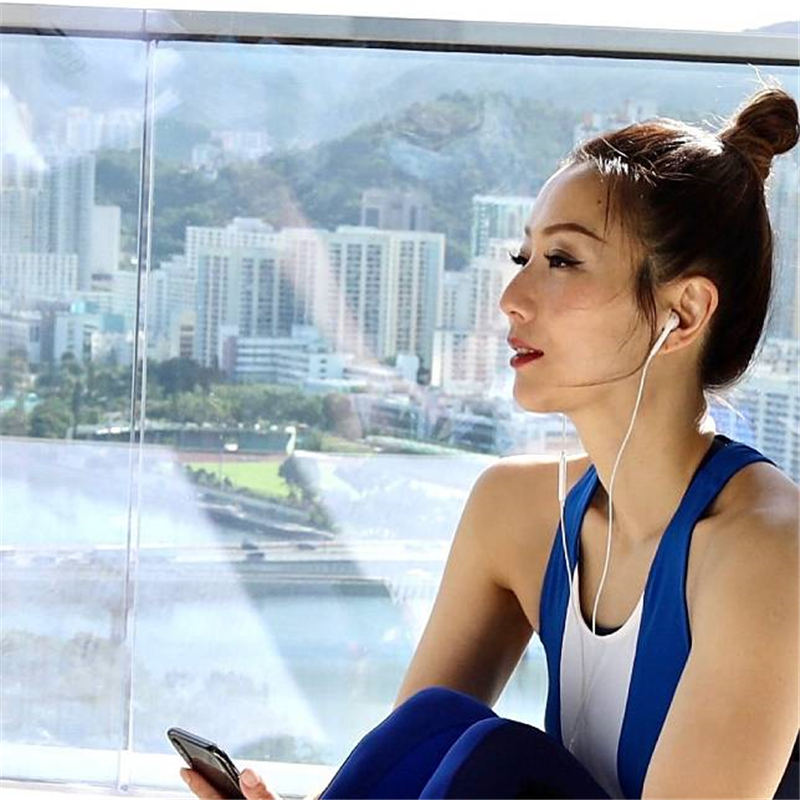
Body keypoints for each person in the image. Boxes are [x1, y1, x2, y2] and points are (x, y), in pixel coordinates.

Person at [181, 80, 799, 800]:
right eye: (522, 259)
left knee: (497, 758)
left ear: (683, 312)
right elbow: (404, 771)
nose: (511, 299)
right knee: (441, 724)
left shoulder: (767, 553)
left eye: (562, 261)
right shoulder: (516, 511)